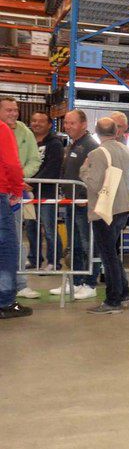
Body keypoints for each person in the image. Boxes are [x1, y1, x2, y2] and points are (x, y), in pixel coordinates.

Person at [79, 117, 129, 315]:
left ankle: (113, 300)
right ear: (116, 132)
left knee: (108, 255)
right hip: (123, 208)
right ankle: (124, 292)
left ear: (97, 132)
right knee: (112, 253)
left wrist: (84, 169)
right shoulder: (127, 150)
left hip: (104, 210)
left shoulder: (96, 154)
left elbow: (93, 184)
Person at [50, 110, 99, 300]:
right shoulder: (73, 145)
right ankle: (76, 282)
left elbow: (96, 175)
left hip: (83, 205)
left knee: (89, 244)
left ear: (84, 124)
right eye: (66, 123)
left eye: (72, 123)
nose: (67, 126)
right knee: (75, 245)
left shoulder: (90, 146)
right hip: (71, 203)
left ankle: (90, 283)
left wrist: (83, 196)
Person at [1, 97, 40, 300]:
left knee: (14, 240)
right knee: (9, 243)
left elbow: (34, 159)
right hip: (8, 192)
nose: (13, 113)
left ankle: (19, 284)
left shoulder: (25, 132)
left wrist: (22, 178)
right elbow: (10, 164)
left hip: (13, 192)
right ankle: (7, 296)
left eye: (15, 110)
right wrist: (16, 184)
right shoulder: (3, 131)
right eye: (8, 110)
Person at [0, 112, 29, 319]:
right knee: (7, 250)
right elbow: (11, 164)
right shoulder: (3, 130)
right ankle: (5, 301)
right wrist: (17, 190)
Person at [26, 111, 63, 272]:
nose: (37, 124)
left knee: (49, 229)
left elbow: (53, 168)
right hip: (27, 193)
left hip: (47, 193)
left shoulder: (55, 144)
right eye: (34, 121)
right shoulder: (27, 141)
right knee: (30, 227)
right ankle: (34, 259)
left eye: (41, 121)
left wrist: (32, 183)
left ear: (49, 125)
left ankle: (54, 261)